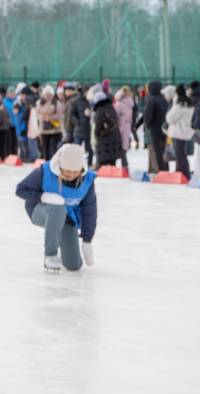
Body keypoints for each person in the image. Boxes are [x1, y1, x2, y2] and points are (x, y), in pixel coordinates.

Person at [14, 142, 97, 273]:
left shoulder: (87, 181)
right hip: (41, 211)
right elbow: (20, 189)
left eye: (75, 172)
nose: (71, 175)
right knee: (58, 207)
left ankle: (70, 257)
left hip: (67, 218)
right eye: (67, 171)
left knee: (74, 266)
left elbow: (89, 211)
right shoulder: (44, 171)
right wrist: (43, 196)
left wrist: (87, 240)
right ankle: (50, 255)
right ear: (60, 166)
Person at [166, 84, 195, 178]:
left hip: (178, 132)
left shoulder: (180, 104)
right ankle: (181, 171)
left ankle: (183, 173)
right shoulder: (188, 102)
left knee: (179, 153)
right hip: (185, 131)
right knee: (181, 153)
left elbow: (170, 118)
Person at [91, 91, 124, 170]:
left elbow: (98, 124)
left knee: (103, 161)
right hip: (114, 136)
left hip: (104, 138)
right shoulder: (111, 107)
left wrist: (96, 133)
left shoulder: (100, 110)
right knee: (112, 161)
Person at [143, 81, 169, 174]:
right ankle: (165, 169)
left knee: (158, 151)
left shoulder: (151, 100)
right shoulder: (163, 99)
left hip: (155, 129)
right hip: (164, 129)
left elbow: (147, 116)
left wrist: (148, 125)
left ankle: (161, 170)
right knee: (164, 150)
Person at [35, 85, 64, 161]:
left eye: (49, 94)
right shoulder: (39, 103)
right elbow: (37, 114)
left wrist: (50, 117)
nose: (47, 96)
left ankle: (54, 161)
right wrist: (43, 117)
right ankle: (46, 161)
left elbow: (60, 115)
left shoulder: (57, 103)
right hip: (44, 129)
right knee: (45, 147)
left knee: (54, 147)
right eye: (46, 94)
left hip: (55, 129)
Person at [114, 86, 135, 168]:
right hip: (127, 126)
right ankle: (125, 163)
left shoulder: (119, 104)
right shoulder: (130, 102)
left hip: (119, 127)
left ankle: (120, 164)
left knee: (117, 145)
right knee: (124, 146)